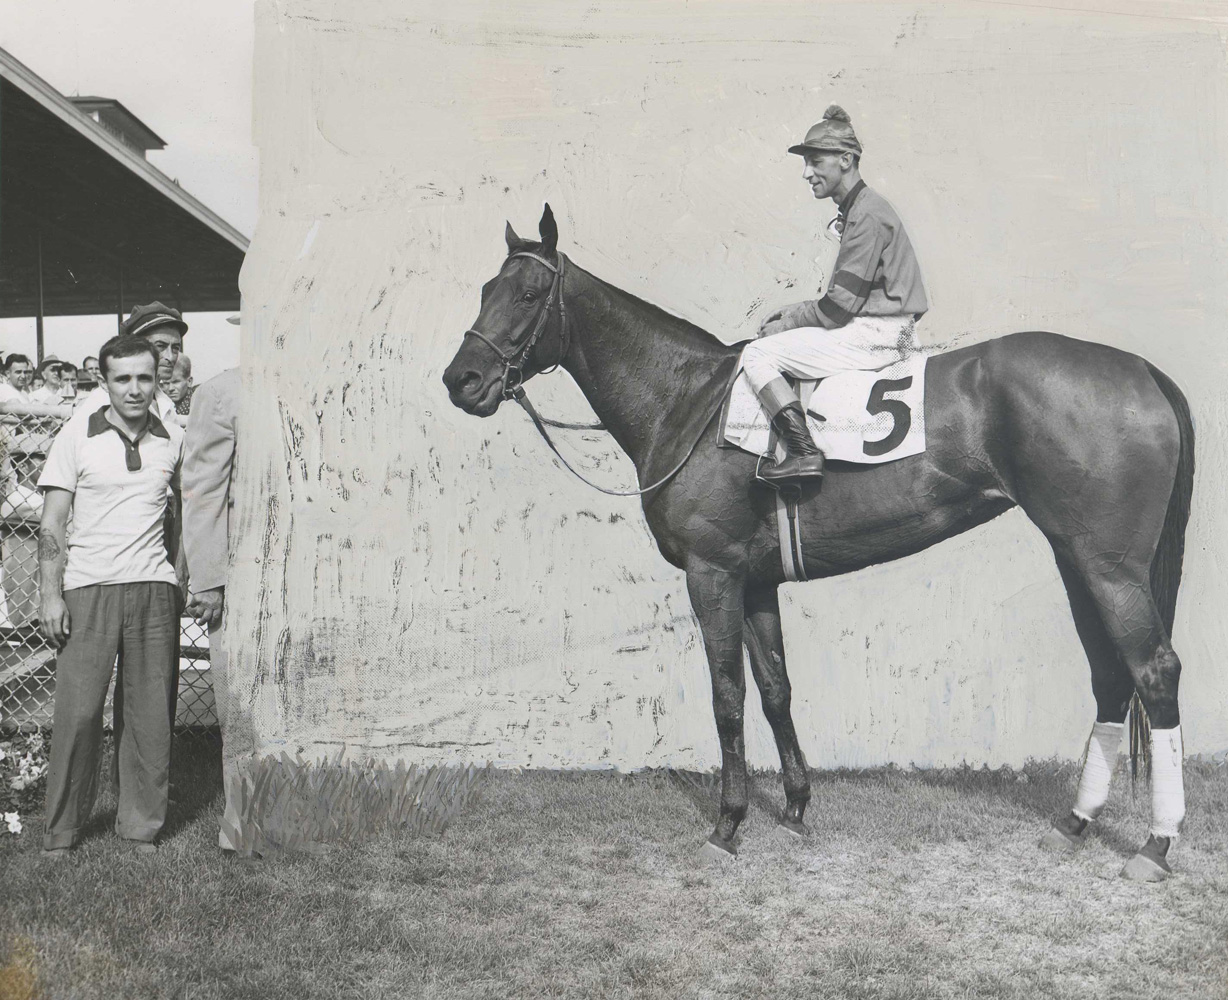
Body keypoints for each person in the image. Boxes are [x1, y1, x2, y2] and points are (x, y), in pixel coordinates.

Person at [37, 335, 185, 858]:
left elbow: (188, 509)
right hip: (88, 588)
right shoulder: (79, 432)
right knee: (78, 715)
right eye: (123, 378)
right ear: (104, 382)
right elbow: (53, 521)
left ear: (156, 380)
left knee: (148, 714)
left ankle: (141, 824)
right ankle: (62, 831)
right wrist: (51, 595)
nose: (135, 389)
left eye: (145, 377)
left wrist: (179, 572)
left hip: (152, 589)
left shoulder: (173, 437)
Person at [743, 105, 929, 485]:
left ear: (846, 160)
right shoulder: (862, 207)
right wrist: (791, 312)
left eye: (815, 161)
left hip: (877, 336)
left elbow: (837, 310)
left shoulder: (867, 214)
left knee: (757, 353)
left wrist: (789, 319)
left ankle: (804, 453)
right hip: (886, 329)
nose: (806, 172)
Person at [182, 367, 240, 851]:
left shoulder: (320, 382)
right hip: (245, 577)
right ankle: (243, 819)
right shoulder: (221, 392)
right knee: (242, 703)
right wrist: (210, 580)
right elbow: (202, 490)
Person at [73, 302, 185, 424]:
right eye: (160, 346)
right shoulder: (106, 397)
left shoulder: (163, 400)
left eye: (175, 348)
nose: (170, 357)